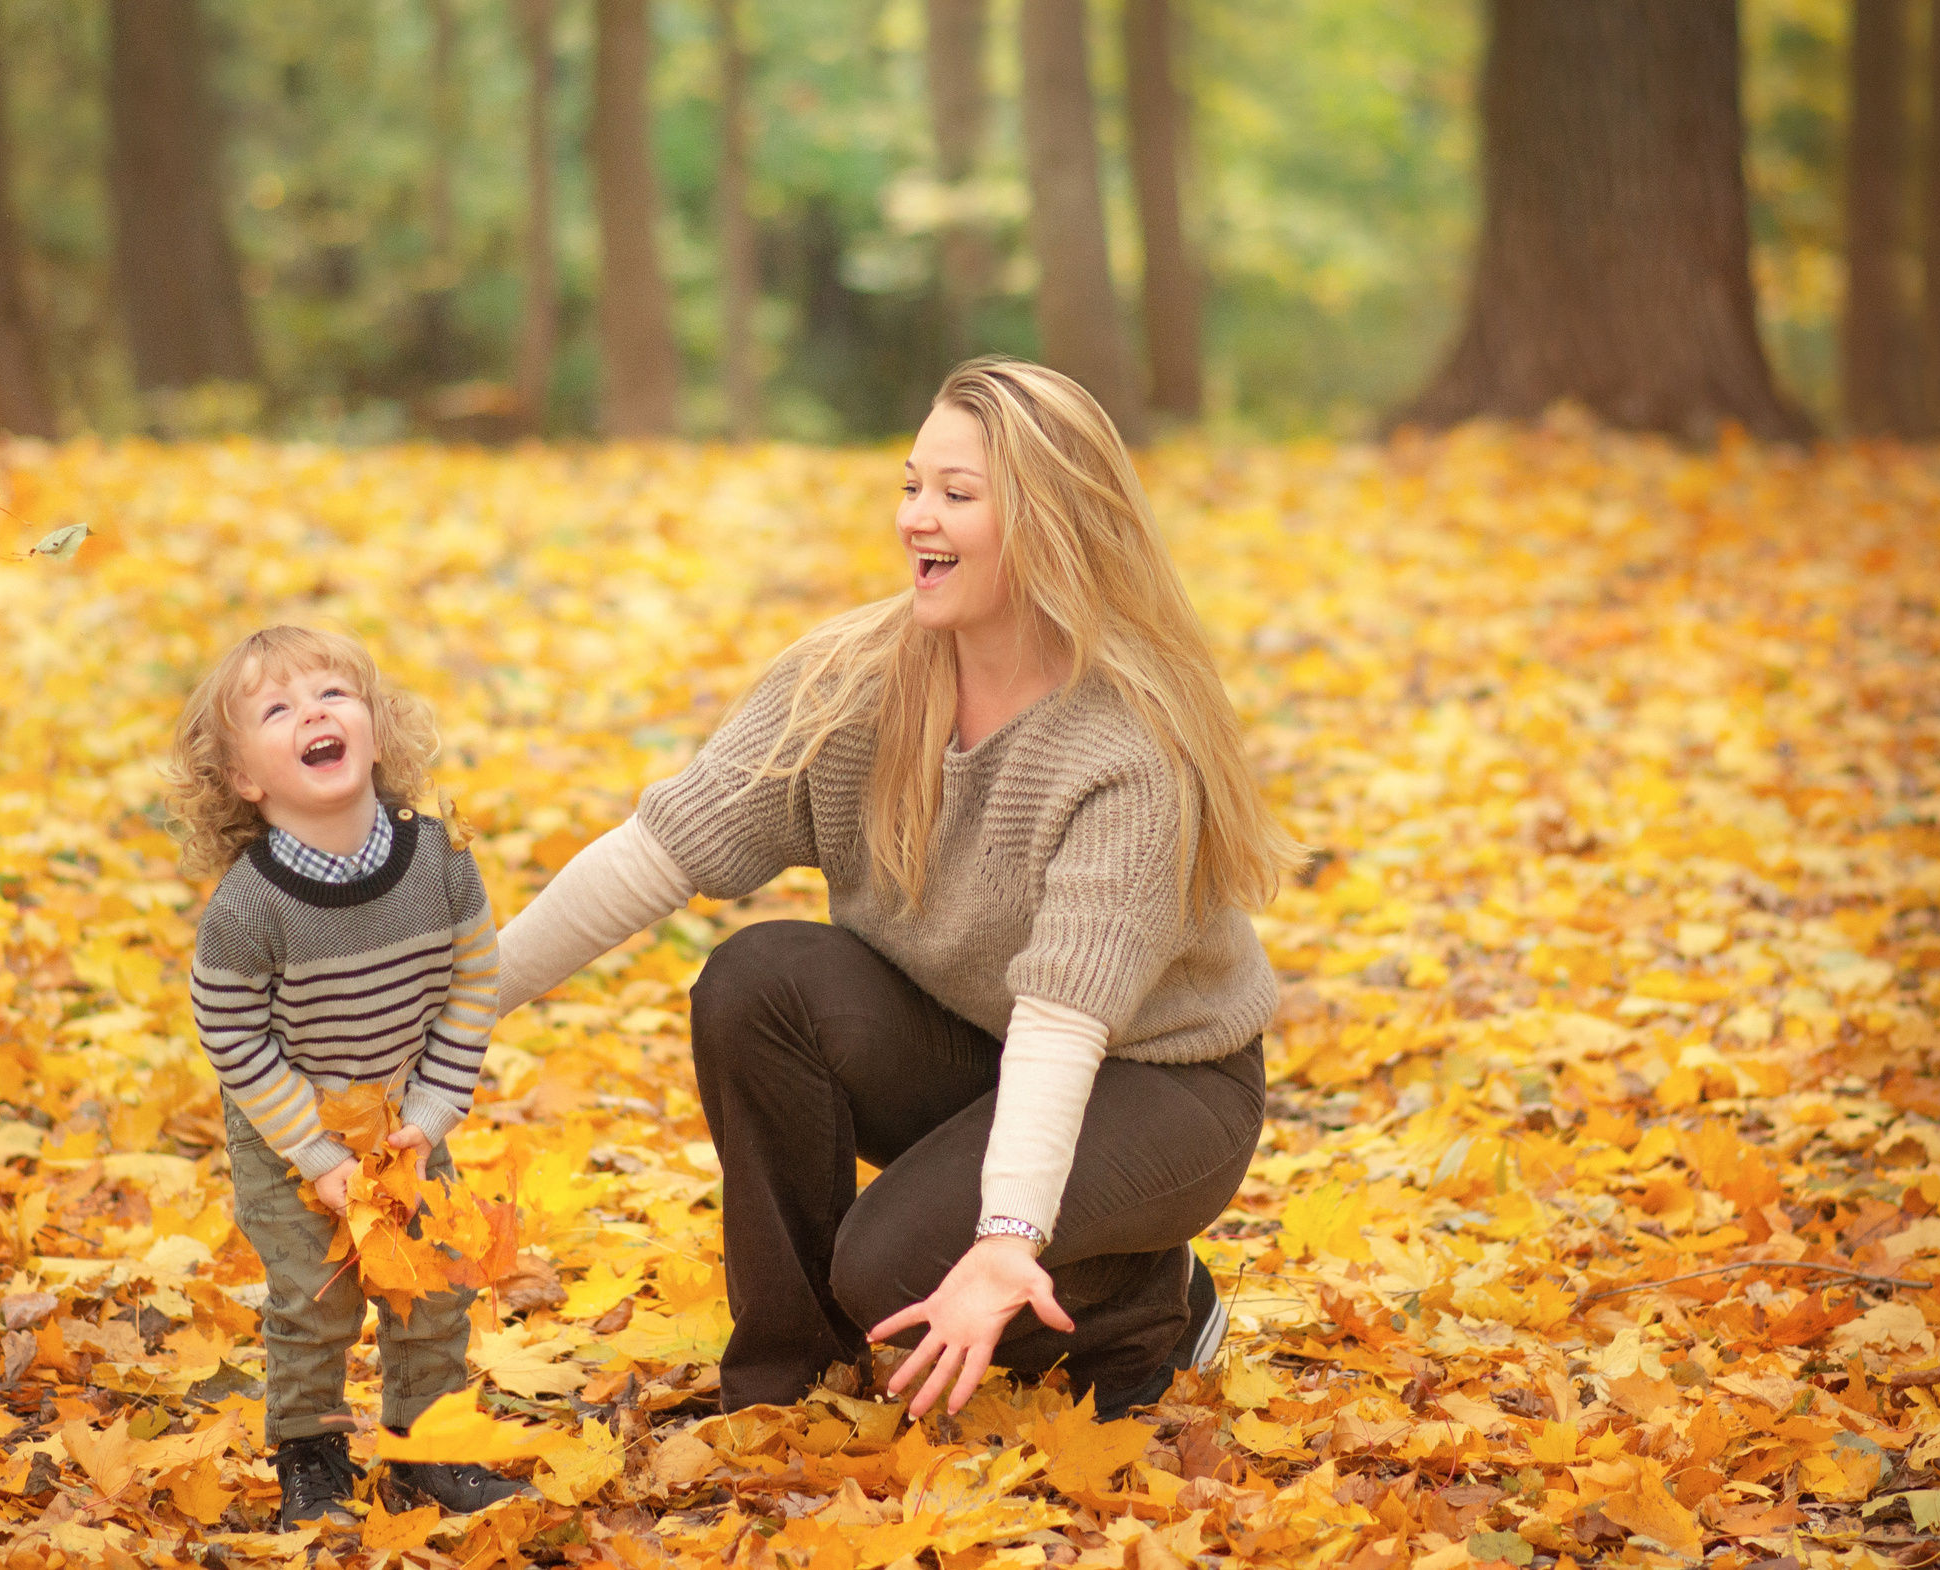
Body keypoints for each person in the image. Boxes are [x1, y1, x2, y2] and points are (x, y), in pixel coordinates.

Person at [496, 358, 1301, 1420]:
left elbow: (1063, 1023)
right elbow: (659, 849)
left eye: (957, 495)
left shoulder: (1122, 751)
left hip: (1160, 1081)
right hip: (979, 1044)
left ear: (1052, 520)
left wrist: (1006, 1236)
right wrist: (461, 1006)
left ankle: (1143, 1295)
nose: (917, 516)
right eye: (911, 483)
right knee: (757, 977)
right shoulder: (853, 678)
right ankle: (786, 1377)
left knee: (891, 1270)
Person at [162, 625, 533, 1528]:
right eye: (278, 709)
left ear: (376, 727)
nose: (313, 714)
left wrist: (439, 1104)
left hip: (403, 1116)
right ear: (245, 777)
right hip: (286, 1128)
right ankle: (313, 1458)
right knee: (315, 1299)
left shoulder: (437, 859)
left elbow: (474, 978)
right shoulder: (249, 907)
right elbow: (231, 1033)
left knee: (433, 1284)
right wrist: (314, 1151)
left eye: (333, 695)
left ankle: (426, 1452)